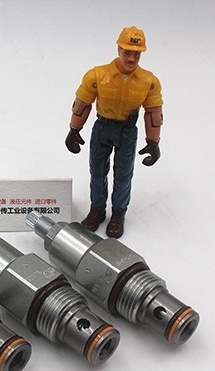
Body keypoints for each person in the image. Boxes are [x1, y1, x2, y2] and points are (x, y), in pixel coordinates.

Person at [65, 26, 163, 238]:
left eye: (136, 54)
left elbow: (153, 114)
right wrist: (74, 129)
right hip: (102, 127)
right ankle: (97, 209)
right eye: (127, 52)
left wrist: (153, 142)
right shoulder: (97, 75)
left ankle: (118, 213)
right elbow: (82, 105)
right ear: (118, 49)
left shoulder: (149, 82)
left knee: (124, 175)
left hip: (127, 132)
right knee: (97, 171)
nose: (131, 58)